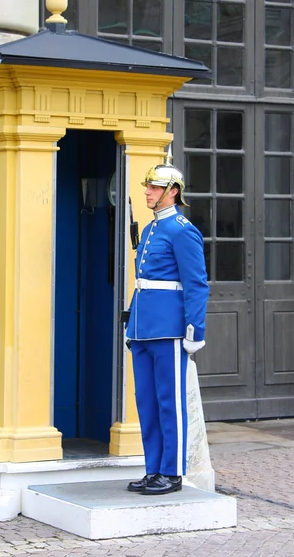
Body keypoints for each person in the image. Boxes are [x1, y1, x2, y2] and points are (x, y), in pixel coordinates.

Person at [125, 163, 209, 495]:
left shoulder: (181, 229)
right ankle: (154, 470)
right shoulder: (150, 229)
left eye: (154, 187)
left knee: (169, 403)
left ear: (172, 191)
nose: (147, 191)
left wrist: (194, 331)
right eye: (147, 186)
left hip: (169, 330)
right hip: (143, 329)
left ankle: (172, 473)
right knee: (146, 402)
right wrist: (132, 324)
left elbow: (196, 285)